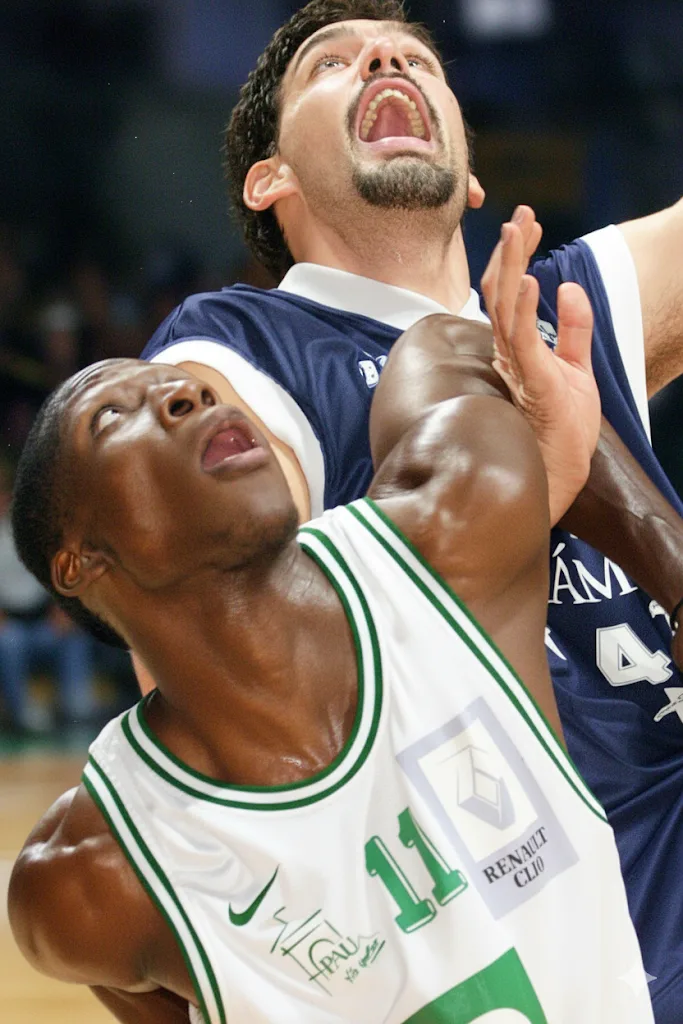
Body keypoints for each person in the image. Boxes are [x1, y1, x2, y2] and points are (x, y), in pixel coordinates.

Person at [138, 3, 683, 1014]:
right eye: (329, 65)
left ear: (469, 175)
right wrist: (530, 504)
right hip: (524, 933)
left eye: (416, 60)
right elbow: (202, 634)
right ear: (272, 180)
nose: (384, 57)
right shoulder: (235, 352)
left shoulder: (563, 306)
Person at [8, 272, 655, 1022]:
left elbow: (452, 344)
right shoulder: (92, 878)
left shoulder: (449, 541)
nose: (187, 395)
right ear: (78, 561)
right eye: (113, 416)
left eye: (187, 386)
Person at [0, 459, 95, 733]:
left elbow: (60, 576)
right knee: (8, 641)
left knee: (72, 632)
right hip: (10, 625)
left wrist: (62, 609)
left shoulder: (34, 531)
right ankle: (24, 712)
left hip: (42, 622)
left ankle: (78, 705)